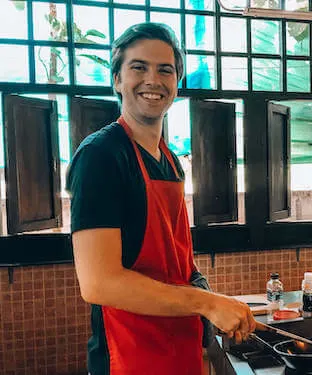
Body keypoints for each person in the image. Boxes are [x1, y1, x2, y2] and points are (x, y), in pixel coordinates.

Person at [66, 22, 256, 375]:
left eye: (165, 70)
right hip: (130, 356)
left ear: (177, 84)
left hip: (178, 350)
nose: (153, 80)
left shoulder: (169, 161)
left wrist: (210, 299)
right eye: (138, 67)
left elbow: (177, 261)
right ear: (117, 80)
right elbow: (98, 283)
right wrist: (206, 303)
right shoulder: (101, 156)